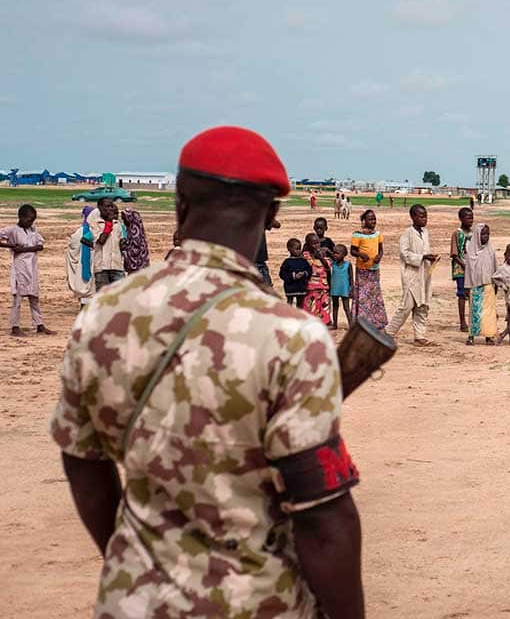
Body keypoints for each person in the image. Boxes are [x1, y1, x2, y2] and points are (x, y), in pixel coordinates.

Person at [51, 125, 364, 618]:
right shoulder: (292, 336)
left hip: (131, 602)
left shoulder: (102, 314)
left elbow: (81, 462)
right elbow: (324, 518)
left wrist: (139, 557)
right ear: (273, 215)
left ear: (180, 205)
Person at [386, 204, 437, 347]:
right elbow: (405, 254)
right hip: (411, 275)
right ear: (413, 217)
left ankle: (419, 336)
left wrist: (430, 258)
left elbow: (425, 250)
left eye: (425, 216)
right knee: (406, 306)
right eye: (421, 216)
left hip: (424, 275)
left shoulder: (425, 232)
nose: (424, 219)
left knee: (423, 306)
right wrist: (422, 257)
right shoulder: (407, 234)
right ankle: (389, 332)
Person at [0, 205, 52, 336]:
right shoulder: (12, 230)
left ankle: (39, 324)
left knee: (34, 298)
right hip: (20, 268)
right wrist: (11, 245)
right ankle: (15, 326)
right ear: (21, 218)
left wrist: (24, 249)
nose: (31, 222)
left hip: (32, 268)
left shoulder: (33, 230)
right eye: (29, 220)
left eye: (33, 220)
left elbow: (40, 246)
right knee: (17, 299)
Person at [350, 209, 387, 330]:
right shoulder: (357, 235)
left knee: (374, 295)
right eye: (370, 219)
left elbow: (381, 250)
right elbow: (352, 251)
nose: (373, 221)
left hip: (374, 269)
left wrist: (379, 257)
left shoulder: (378, 235)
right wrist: (361, 255)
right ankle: (361, 320)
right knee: (362, 295)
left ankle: (376, 320)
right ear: (363, 221)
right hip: (362, 269)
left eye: (374, 219)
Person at [464, 223, 499, 346]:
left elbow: (495, 269)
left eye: (488, 234)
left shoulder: (490, 251)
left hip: (488, 285)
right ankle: (471, 336)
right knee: (475, 312)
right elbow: (468, 271)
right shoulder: (471, 253)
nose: (486, 236)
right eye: (483, 234)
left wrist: (496, 285)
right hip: (475, 287)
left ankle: (488, 336)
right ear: (478, 235)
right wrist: (467, 287)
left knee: (489, 313)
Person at [86, 198, 126, 290]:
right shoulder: (95, 223)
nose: (110, 209)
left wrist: (123, 243)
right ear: (99, 207)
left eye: (111, 206)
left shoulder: (117, 224)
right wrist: (108, 223)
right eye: (107, 206)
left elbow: (121, 243)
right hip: (102, 268)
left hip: (117, 266)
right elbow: (101, 240)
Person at [450, 207, 474, 333]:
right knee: (462, 294)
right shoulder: (457, 234)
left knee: (472, 294)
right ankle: (462, 322)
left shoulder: (474, 234)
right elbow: (454, 254)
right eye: (468, 217)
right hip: (460, 269)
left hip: (473, 269)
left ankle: (473, 319)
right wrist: (464, 265)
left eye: (472, 217)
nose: (471, 220)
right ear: (461, 218)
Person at [66, 206, 95, 309]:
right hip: (93, 262)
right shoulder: (97, 228)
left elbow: (73, 244)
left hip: (84, 263)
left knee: (85, 285)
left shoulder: (82, 230)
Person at [301, 233, 332, 324]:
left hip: (323, 286)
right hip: (311, 287)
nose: (317, 245)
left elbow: (327, 267)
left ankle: (324, 323)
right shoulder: (306, 256)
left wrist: (321, 257)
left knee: (322, 306)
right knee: (310, 306)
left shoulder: (323, 255)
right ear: (308, 245)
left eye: (318, 243)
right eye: (314, 243)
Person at [279, 238, 311, 308]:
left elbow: (309, 270)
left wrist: (304, 273)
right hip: (290, 287)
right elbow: (282, 274)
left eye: (300, 248)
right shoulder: (287, 262)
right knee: (289, 302)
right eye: (296, 249)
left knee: (300, 304)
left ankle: (299, 317)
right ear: (289, 249)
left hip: (301, 286)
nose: (299, 251)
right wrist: (294, 276)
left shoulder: (303, 261)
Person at [329, 245, 354, 329]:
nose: (335, 255)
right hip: (334, 288)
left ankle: (351, 325)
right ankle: (335, 324)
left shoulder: (348, 265)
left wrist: (351, 288)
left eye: (337, 253)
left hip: (344, 289)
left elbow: (351, 277)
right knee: (335, 306)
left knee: (346, 307)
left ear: (344, 255)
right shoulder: (332, 264)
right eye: (334, 253)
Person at [120, 208, 150, 274]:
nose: (123, 221)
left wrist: (124, 247)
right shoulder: (130, 229)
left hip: (137, 265)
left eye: (124, 218)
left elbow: (135, 248)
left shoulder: (135, 231)